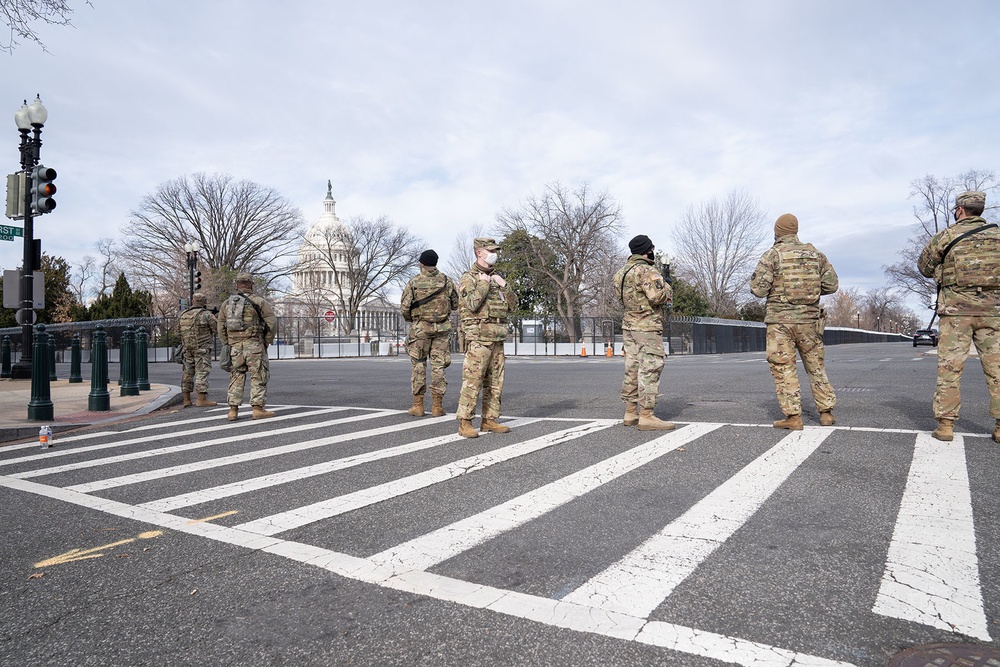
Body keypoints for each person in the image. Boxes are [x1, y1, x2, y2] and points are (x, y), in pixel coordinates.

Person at [917, 190, 1000, 442]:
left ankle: (945, 426)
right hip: (994, 313)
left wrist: (943, 268)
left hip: (955, 313)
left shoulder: (947, 236)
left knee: (950, 369)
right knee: (997, 368)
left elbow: (924, 267)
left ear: (960, 210)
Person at [750, 213, 839, 429]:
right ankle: (826, 412)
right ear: (795, 230)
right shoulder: (816, 255)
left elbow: (758, 289)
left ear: (777, 231)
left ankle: (793, 417)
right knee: (816, 366)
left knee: (784, 368)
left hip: (780, 323)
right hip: (809, 321)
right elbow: (831, 285)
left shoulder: (772, 255)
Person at [455, 237, 518, 438]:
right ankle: (465, 422)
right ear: (479, 252)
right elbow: (471, 304)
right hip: (479, 338)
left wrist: (505, 285)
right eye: (490, 250)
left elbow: (513, 306)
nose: (494, 254)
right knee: (473, 381)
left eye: (495, 250)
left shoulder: (498, 278)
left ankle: (489, 419)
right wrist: (483, 284)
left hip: (497, 338)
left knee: (495, 382)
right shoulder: (468, 278)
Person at [614, 234, 676, 430]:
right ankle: (647, 415)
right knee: (650, 367)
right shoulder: (647, 271)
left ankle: (630, 411)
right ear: (647, 250)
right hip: (647, 327)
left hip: (629, 325)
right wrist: (666, 286)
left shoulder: (620, 273)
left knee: (631, 367)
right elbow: (658, 297)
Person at [400, 249, 459, 417]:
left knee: (418, 366)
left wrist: (413, 320)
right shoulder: (447, 281)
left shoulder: (414, 282)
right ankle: (437, 406)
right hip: (441, 330)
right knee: (438, 367)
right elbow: (455, 304)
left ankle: (418, 405)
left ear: (421, 263)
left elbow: (405, 307)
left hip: (420, 330)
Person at [217, 273, 277, 421]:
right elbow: (272, 322)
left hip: (235, 347)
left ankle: (233, 410)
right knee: (258, 376)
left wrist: (227, 342)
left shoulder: (226, 304)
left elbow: (220, 326)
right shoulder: (259, 302)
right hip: (254, 345)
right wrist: (267, 340)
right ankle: (257, 409)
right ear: (251, 284)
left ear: (237, 285)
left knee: (236, 377)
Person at [178, 292, 218, 408]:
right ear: (204, 302)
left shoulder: (183, 315)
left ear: (192, 302)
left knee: (187, 373)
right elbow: (216, 329)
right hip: (202, 349)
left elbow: (177, 332)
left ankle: (186, 399)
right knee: (202, 372)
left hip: (187, 349)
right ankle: (201, 399)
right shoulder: (206, 315)